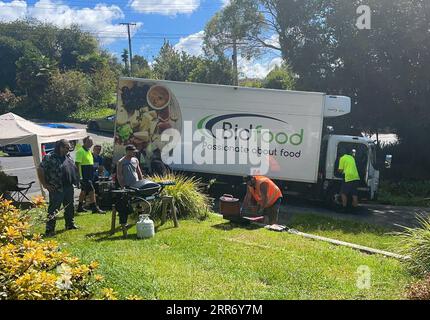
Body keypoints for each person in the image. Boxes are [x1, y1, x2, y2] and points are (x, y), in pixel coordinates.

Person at [36, 139, 79, 237]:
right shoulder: (49, 157)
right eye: (66, 148)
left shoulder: (67, 156)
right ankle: (49, 229)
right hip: (56, 188)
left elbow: (72, 168)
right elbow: (40, 169)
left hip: (68, 187)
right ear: (60, 147)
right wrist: (45, 184)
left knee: (69, 207)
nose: (68, 150)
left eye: (69, 148)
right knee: (54, 209)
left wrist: (76, 179)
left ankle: (70, 224)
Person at [75, 136, 104, 214]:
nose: (91, 144)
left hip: (89, 175)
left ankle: (79, 207)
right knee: (92, 190)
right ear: (85, 142)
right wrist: (78, 177)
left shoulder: (88, 151)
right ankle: (94, 208)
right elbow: (76, 164)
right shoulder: (80, 151)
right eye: (89, 142)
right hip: (84, 176)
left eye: (91, 142)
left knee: (84, 191)